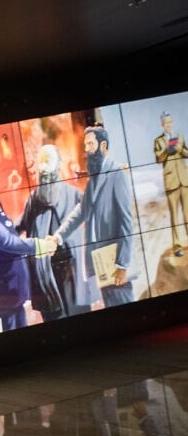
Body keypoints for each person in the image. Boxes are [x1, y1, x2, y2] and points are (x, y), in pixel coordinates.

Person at [0, 148, 57, 333]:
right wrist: (40, 245)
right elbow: (4, 241)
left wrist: (28, 217)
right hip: (1, 293)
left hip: (9, 292)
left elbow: (6, 230)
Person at [56, 125, 138, 307]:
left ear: (103, 145)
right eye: (85, 145)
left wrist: (122, 265)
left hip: (114, 262)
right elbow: (81, 211)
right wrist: (58, 236)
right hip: (100, 262)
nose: (86, 150)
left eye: (90, 145)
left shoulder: (117, 174)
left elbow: (126, 222)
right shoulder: (94, 177)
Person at [17, 144, 95, 321]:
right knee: (54, 314)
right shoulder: (34, 199)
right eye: (44, 176)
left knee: (77, 311)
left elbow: (92, 211)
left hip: (71, 264)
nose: (47, 180)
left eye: (50, 175)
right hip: (46, 268)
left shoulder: (72, 194)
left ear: (58, 168)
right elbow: (21, 224)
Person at [154, 112, 188, 257]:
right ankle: (177, 246)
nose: (169, 125)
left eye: (170, 122)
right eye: (166, 123)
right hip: (171, 183)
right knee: (174, 216)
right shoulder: (159, 141)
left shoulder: (179, 136)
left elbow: (187, 153)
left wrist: (180, 149)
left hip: (184, 180)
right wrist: (167, 149)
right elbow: (158, 158)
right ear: (162, 125)